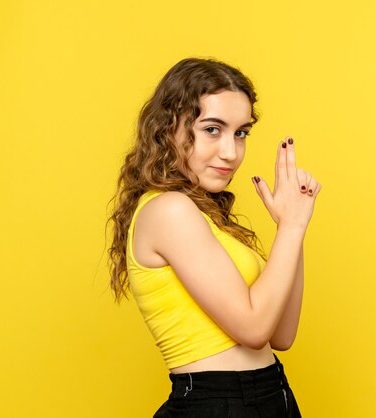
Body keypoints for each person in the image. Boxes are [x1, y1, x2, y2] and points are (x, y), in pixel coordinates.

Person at [107, 57, 321, 417]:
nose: (231, 152)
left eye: (240, 133)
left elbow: (281, 336)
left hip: (271, 397)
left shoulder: (208, 218)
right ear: (168, 127)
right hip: (218, 405)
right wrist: (292, 227)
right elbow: (253, 329)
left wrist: (291, 225)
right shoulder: (168, 211)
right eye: (212, 129)